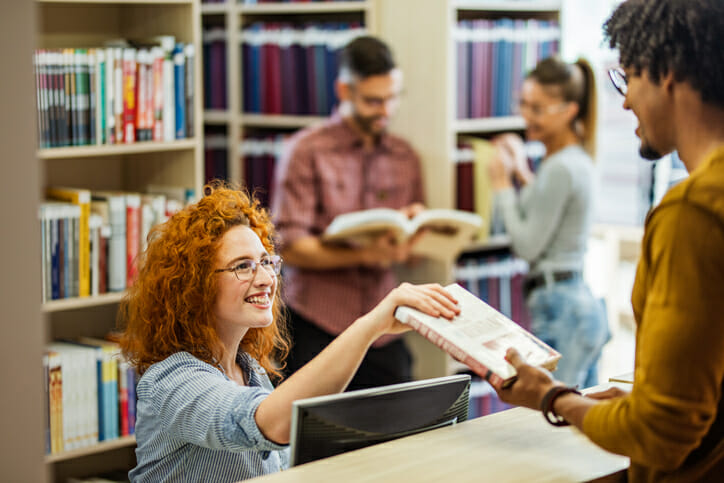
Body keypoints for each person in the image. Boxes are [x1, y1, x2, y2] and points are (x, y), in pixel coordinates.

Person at [493, 0, 724, 481]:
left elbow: (662, 431)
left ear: (667, 74)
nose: (624, 101)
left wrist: (551, 397)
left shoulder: (693, 212)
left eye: (628, 78)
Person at [119, 183, 459, 482]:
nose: (267, 279)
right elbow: (266, 423)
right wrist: (369, 326)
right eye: (243, 266)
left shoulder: (250, 372)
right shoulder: (170, 381)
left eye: (267, 262)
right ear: (195, 286)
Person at [271, 35, 426, 389]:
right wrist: (371, 252)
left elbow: (412, 257)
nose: (385, 111)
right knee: (320, 439)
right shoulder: (305, 151)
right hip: (317, 326)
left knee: (402, 433)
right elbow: (290, 248)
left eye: (392, 98)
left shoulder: (405, 156)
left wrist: (414, 234)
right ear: (344, 91)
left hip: (384, 324)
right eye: (373, 101)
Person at [487, 56, 609, 388]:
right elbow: (545, 212)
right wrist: (524, 171)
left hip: (561, 308)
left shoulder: (559, 168)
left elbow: (527, 245)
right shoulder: (572, 159)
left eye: (538, 109)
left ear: (569, 110)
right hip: (578, 305)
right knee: (575, 420)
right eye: (524, 104)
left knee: (551, 416)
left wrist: (501, 185)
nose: (526, 116)